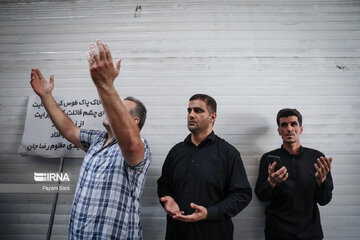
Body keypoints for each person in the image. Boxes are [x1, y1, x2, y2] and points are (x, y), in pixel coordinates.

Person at [30, 40, 151, 239]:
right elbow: (68, 130)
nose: (109, 109)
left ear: (134, 121)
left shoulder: (140, 147)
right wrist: (46, 96)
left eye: (118, 108)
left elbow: (129, 144)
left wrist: (105, 84)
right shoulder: (96, 140)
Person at [157, 94, 252, 240]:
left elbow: (242, 195)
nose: (191, 115)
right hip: (177, 232)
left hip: (214, 233)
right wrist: (168, 198)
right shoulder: (176, 151)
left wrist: (209, 212)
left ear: (212, 117)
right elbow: (164, 184)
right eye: (189, 111)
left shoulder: (228, 153)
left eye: (198, 111)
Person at [255, 108, 333, 240]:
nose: (289, 129)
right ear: (279, 131)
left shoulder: (317, 158)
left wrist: (321, 182)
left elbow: (325, 200)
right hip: (277, 233)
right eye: (284, 125)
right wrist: (271, 182)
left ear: (301, 129)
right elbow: (261, 196)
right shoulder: (269, 158)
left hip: (310, 232)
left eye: (293, 124)